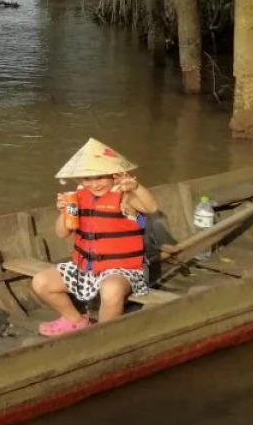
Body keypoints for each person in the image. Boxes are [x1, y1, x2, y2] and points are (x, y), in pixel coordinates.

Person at [32, 138, 159, 336]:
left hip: (123, 270)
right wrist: (64, 211)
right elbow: (61, 233)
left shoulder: (126, 196)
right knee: (41, 282)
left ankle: (102, 334)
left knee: (112, 291)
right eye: (87, 179)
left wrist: (136, 187)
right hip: (85, 267)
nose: (94, 184)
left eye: (101, 177)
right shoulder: (78, 198)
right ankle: (76, 320)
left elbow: (152, 207)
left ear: (115, 176)